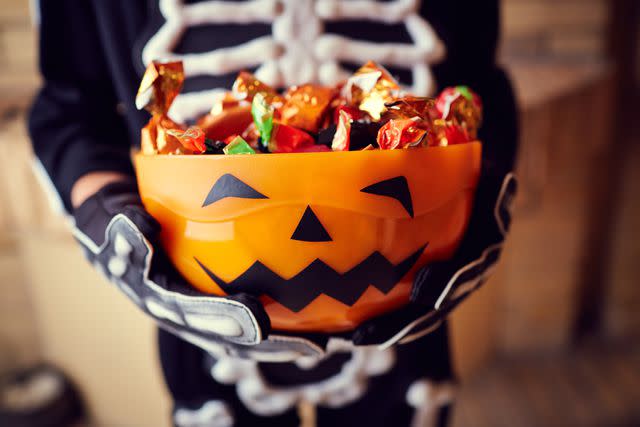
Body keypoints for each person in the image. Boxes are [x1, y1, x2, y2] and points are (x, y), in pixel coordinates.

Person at [28, 1, 517, 426]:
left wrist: (482, 201)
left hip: (411, 295)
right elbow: (70, 109)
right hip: (203, 312)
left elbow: (481, 83)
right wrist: (113, 225)